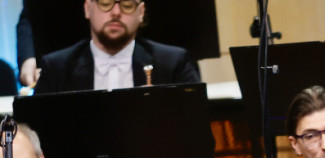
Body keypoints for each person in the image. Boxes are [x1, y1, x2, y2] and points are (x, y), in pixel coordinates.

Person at [34, 0, 200, 94]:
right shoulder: (56, 67)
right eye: (105, 3)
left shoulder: (173, 64)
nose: (116, 12)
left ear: (141, 12)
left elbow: (198, 132)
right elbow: (35, 133)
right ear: (87, 8)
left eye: (127, 4)